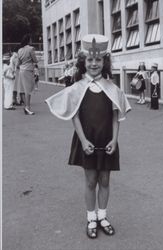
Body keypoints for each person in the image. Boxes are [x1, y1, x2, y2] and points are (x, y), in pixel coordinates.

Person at [45, 34, 131, 239]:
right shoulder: (77, 87)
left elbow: (115, 115)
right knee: (91, 181)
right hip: (87, 141)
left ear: (104, 62)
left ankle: (103, 216)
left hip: (107, 140)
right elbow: (74, 115)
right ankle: (91, 218)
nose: (94, 63)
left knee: (105, 180)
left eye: (98, 59)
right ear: (84, 62)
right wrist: (83, 140)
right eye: (90, 60)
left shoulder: (111, 88)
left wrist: (115, 139)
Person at [18, 34, 38, 115]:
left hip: (21, 70)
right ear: (28, 40)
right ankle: (28, 107)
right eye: (31, 39)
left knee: (22, 89)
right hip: (28, 70)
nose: (31, 41)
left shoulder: (20, 50)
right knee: (28, 90)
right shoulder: (31, 49)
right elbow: (35, 60)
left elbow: (19, 62)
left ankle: (26, 106)